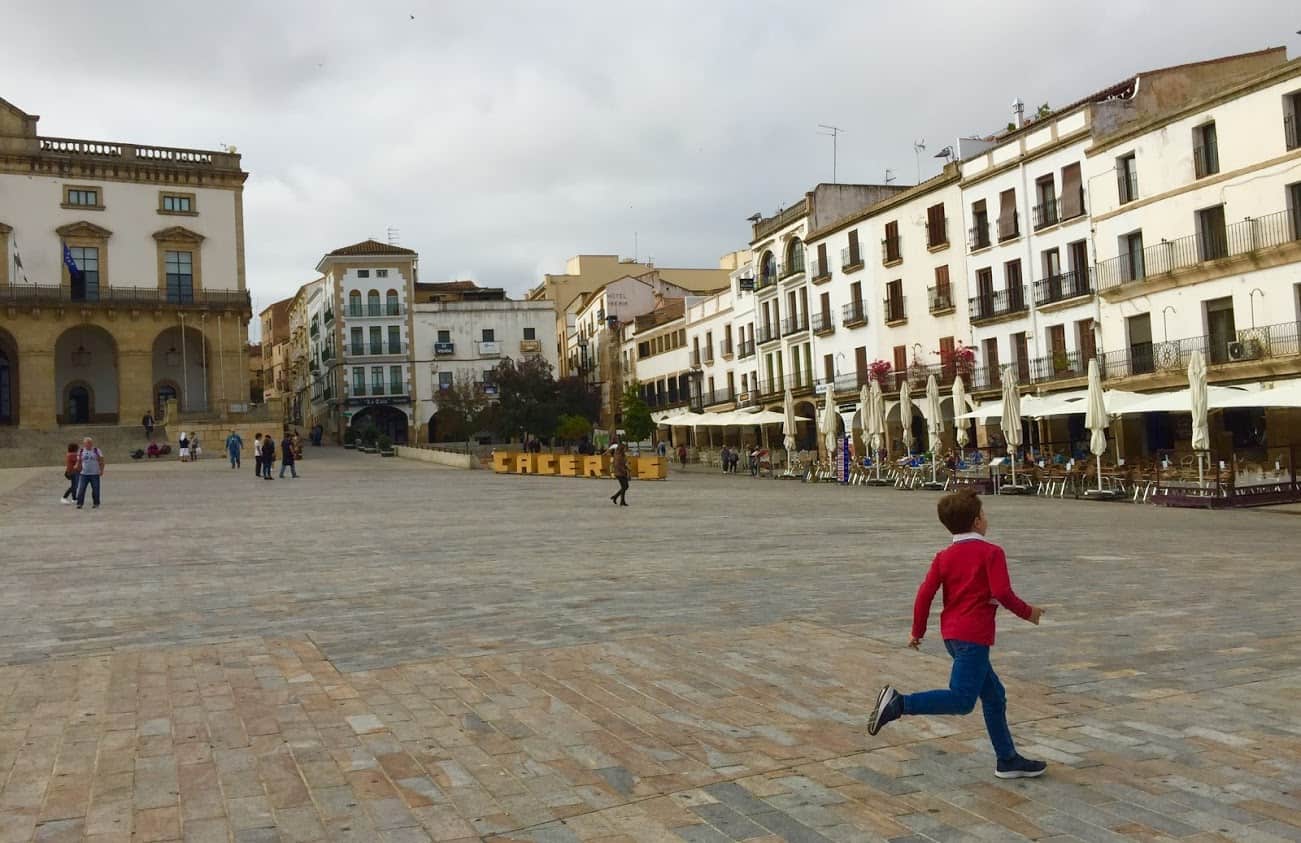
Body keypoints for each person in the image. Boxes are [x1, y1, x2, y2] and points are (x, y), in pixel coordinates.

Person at [867, 488, 1047, 780]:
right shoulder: (991, 552)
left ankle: (1007, 759)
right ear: (977, 521)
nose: (986, 519)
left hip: (952, 635)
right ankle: (899, 703)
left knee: (995, 697)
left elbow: (924, 595)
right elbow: (1001, 591)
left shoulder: (944, 556)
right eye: (984, 515)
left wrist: (918, 631)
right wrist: (1029, 613)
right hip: (973, 637)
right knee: (962, 700)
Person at [73, 437, 105, 510]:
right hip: (84, 474)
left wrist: (101, 470)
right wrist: (76, 466)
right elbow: (79, 461)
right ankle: (79, 503)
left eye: (90, 443)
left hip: (95, 473)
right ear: (84, 444)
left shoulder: (97, 450)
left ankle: (96, 503)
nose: (89, 445)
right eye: (87, 443)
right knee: (81, 489)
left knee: (96, 489)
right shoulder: (81, 451)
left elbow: (102, 461)